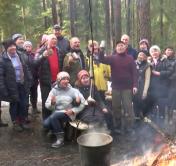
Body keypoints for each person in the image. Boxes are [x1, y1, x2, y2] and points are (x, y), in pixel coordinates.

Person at [99, 41, 138, 134]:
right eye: (118, 46)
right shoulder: (112, 58)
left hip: (127, 88)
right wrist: (101, 49)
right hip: (116, 87)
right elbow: (102, 60)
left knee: (128, 107)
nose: (120, 47)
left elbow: (134, 73)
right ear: (116, 48)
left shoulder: (130, 58)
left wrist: (135, 85)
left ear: (125, 47)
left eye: (122, 46)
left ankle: (130, 127)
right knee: (116, 108)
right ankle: (118, 126)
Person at [43, 71, 85, 148]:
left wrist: (73, 110)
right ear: (58, 81)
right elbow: (47, 105)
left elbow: (83, 103)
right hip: (57, 113)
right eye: (64, 79)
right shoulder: (54, 91)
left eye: (67, 79)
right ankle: (58, 129)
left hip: (68, 113)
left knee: (54, 116)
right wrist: (52, 104)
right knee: (46, 124)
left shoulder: (73, 91)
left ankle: (60, 140)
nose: (66, 81)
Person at [0, 39, 32, 131]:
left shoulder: (20, 55)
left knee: (24, 104)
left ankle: (22, 121)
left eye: (14, 45)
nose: (13, 47)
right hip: (12, 87)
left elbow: (26, 68)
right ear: (6, 48)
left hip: (22, 84)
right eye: (10, 46)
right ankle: (15, 123)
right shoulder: (3, 60)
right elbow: (1, 77)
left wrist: (29, 80)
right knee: (14, 105)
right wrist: (4, 90)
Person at [35, 34, 63, 120]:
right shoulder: (40, 51)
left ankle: (56, 121)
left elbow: (60, 64)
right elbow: (35, 64)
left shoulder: (58, 50)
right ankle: (46, 122)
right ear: (47, 41)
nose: (54, 40)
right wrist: (43, 56)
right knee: (47, 103)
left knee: (57, 102)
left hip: (57, 81)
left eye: (55, 39)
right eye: (52, 39)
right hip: (46, 82)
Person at [149, 45, 172, 121]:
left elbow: (170, 71)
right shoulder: (150, 62)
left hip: (163, 87)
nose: (154, 53)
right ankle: (154, 122)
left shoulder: (164, 60)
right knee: (153, 105)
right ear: (150, 53)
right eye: (152, 51)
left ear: (159, 52)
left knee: (161, 105)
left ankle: (162, 123)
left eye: (156, 51)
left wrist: (159, 73)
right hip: (152, 88)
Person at [133, 50, 151, 123]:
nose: (140, 56)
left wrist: (145, 91)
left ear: (146, 57)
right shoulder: (133, 63)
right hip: (133, 86)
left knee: (141, 103)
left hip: (142, 86)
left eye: (143, 55)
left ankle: (142, 119)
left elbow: (147, 79)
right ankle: (135, 118)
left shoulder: (147, 65)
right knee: (135, 103)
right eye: (140, 54)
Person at [23, 41, 40, 114]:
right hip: (26, 79)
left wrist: (38, 75)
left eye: (29, 46)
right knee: (26, 94)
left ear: (31, 47)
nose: (28, 48)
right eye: (26, 46)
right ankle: (25, 111)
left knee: (34, 94)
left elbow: (37, 65)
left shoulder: (34, 55)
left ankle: (34, 108)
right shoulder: (22, 55)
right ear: (24, 47)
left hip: (35, 78)